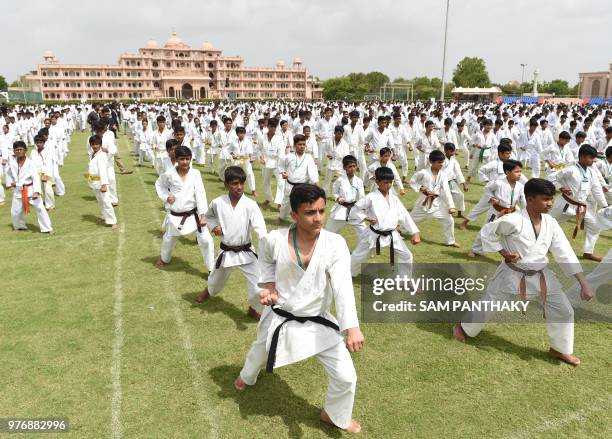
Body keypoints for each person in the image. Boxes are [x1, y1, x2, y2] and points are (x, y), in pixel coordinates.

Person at [234, 184, 365, 434]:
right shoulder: (275, 239)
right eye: (309, 213)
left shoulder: (335, 244)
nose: (318, 218)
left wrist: (351, 327)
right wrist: (269, 286)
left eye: (321, 211)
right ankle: (247, 376)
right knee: (260, 350)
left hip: (317, 321)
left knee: (347, 377)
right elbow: (266, 262)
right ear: (294, 214)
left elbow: (342, 286)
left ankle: (334, 413)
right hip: (281, 316)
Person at [453, 178, 594, 367]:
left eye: (551, 199)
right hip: (512, 274)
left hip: (541, 275)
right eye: (545, 199)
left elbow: (565, 252)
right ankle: (463, 327)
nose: (550, 203)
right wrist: (503, 252)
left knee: (564, 310)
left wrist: (583, 283)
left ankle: (560, 349)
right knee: (489, 305)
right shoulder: (513, 220)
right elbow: (487, 232)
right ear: (530, 199)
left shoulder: (550, 222)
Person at [196, 166, 267, 319]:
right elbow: (209, 217)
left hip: (246, 251)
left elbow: (261, 229)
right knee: (215, 283)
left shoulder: (250, 205)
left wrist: (266, 245)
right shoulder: (217, 202)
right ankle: (208, 291)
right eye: (235, 183)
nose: (239, 187)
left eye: (242, 183)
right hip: (226, 251)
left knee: (258, 286)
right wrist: (214, 226)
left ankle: (254, 308)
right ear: (226, 185)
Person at [350, 167, 420, 277]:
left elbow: (404, 214)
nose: (389, 185)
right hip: (374, 234)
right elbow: (355, 209)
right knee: (358, 256)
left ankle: (405, 281)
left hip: (392, 235)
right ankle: (348, 274)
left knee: (406, 255)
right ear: (377, 181)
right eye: (385, 182)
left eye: (391, 182)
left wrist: (415, 232)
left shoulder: (394, 198)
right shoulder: (371, 197)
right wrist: (366, 218)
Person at [154, 146, 214, 271]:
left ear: (191, 159)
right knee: (169, 239)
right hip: (175, 215)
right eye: (182, 159)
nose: (185, 162)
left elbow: (201, 194)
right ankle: (164, 259)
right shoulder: (169, 173)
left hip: (194, 215)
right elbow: (160, 185)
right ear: (176, 159)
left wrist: (203, 215)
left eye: (187, 159)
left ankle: (211, 269)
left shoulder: (195, 174)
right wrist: (166, 197)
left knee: (206, 241)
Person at [550, 144, 608, 261]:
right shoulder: (571, 169)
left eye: (593, 158)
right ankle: (537, 245)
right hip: (564, 204)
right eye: (590, 158)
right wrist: (560, 187)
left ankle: (588, 252)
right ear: (581, 157)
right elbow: (553, 178)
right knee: (548, 224)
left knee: (595, 226)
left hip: (581, 207)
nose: (593, 160)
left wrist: (605, 206)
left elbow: (597, 190)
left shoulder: (591, 172)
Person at [467, 159, 526, 257]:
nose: (519, 174)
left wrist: (526, 211)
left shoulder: (520, 186)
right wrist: (492, 197)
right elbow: (487, 189)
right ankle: (475, 249)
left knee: (514, 231)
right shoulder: (498, 183)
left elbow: (523, 200)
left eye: (520, 171)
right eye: (516, 172)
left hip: (512, 212)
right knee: (487, 229)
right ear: (507, 172)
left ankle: (514, 251)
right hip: (497, 211)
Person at [409, 150, 459, 247]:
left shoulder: (443, 175)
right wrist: (420, 188)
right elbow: (412, 181)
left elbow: (446, 191)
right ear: (431, 162)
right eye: (439, 162)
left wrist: (451, 206)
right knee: (410, 220)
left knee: (449, 220)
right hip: (424, 203)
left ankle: (451, 241)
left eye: (442, 162)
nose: (441, 164)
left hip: (437, 205)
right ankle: (400, 229)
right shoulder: (423, 173)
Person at [5, 141, 53, 234]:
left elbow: (35, 177)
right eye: (17, 150)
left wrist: (37, 191)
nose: (19, 151)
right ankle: (18, 226)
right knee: (15, 210)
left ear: (25, 150)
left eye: (21, 149)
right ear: (14, 151)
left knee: (40, 208)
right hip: (18, 189)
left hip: (30, 188)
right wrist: (10, 183)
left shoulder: (31, 163)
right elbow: (9, 173)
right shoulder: (12, 163)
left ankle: (48, 228)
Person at [277, 134, 319, 223]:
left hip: (303, 185)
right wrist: (283, 172)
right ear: (294, 145)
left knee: (303, 204)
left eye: (304, 144)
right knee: (286, 202)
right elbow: (281, 164)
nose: (302, 146)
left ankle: (302, 220)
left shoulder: (308, 157)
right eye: (299, 144)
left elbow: (313, 172)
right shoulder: (289, 156)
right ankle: (281, 217)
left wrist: (316, 183)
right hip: (290, 184)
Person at [325, 154, 366, 236]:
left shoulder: (359, 181)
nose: (352, 169)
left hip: (355, 210)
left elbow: (362, 197)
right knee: (328, 232)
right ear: (344, 168)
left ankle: (361, 249)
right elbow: (334, 192)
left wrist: (364, 210)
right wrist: (338, 198)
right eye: (350, 166)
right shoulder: (340, 180)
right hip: (341, 209)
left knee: (365, 234)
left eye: (354, 166)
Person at [86, 135, 117, 229]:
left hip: (101, 182)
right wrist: (90, 180)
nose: (95, 146)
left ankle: (113, 221)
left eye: (97, 144)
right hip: (94, 181)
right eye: (93, 144)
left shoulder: (102, 155)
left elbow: (102, 170)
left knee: (106, 201)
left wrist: (104, 185)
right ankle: (105, 217)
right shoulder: (92, 154)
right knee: (100, 201)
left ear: (100, 145)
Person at [442, 142, 468, 219]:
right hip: (441, 182)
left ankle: (459, 213)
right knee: (440, 198)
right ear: (445, 151)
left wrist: (464, 184)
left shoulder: (454, 161)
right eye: (451, 151)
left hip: (451, 182)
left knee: (460, 195)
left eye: (453, 151)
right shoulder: (441, 159)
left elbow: (458, 172)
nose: (453, 153)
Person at [30, 134, 55, 211]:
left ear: (44, 142)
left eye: (40, 142)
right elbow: (31, 163)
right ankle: (41, 203)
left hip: (45, 173)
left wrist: (47, 174)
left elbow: (49, 163)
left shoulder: (47, 151)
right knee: (37, 189)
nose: (38, 144)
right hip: (36, 173)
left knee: (48, 190)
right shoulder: (33, 152)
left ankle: (50, 206)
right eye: (37, 142)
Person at [228, 126, 256, 196]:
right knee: (235, 175)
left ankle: (253, 190)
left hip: (245, 160)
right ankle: (234, 188)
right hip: (237, 160)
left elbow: (250, 152)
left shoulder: (248, 141)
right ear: (237, 134)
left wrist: (251, 159)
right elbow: (230, 150)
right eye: (240, 133)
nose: (242, 134)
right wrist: (232, 155)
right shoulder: (233, 141)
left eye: (243, 133)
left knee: (249, 173)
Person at [324, 126, 350, 194]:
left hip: (340, 164)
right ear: (334, 133)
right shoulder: (329, 141)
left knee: (341, 181)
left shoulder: (345, 144)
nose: (340, 135)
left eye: (341, 134)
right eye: (338, 133)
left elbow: (346, 156)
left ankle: (339, 195)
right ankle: (324, 194)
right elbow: (325, 150)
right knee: (327, 180)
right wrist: (327, 155)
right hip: (331, 163)